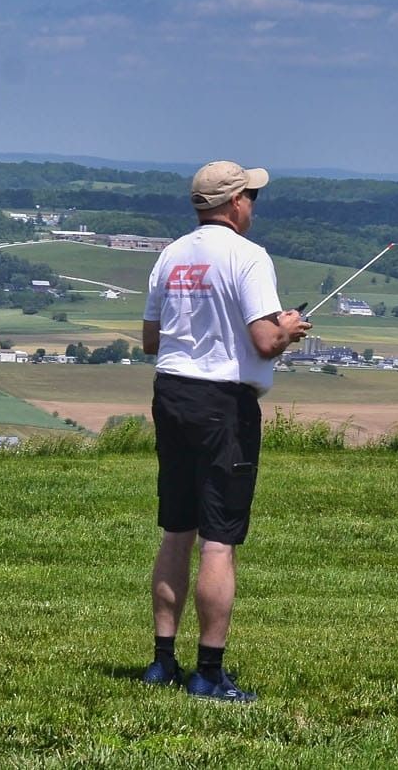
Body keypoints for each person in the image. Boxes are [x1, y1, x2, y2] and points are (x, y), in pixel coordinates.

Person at [139, 160, 310, 702]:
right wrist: (287, 330)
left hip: (171, 395)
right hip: (223, 406)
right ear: (234, 202)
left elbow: (151, 339)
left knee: (176, 530)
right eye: (251, 197)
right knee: (218, 541)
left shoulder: (170, 255)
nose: (253, 206)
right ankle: (209, 673)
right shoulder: (249, 257)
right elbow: (263, 343)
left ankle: (163, 662)